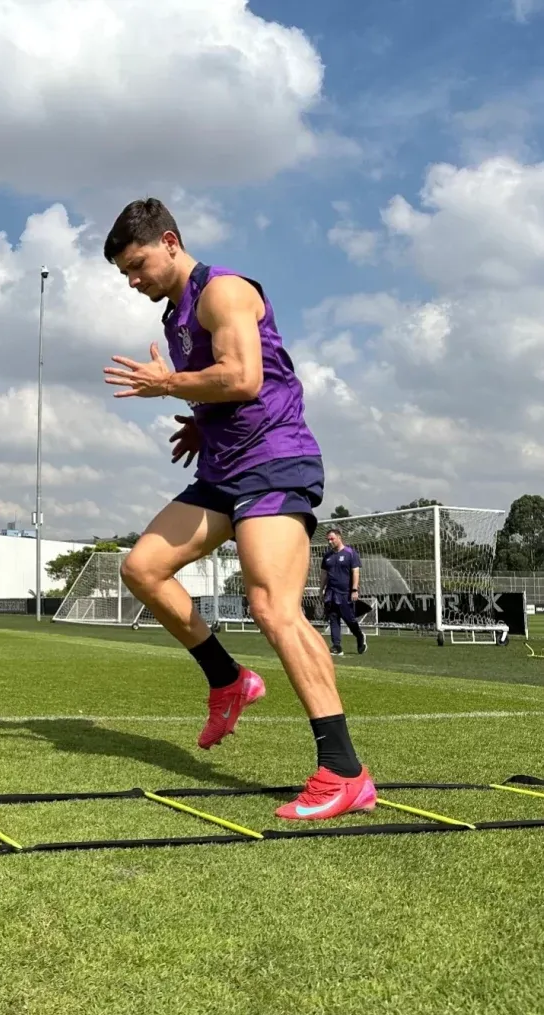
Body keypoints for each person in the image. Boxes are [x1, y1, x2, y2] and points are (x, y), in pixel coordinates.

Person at [102, 198, 376, 820]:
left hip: (275, 463)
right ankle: (228, 680)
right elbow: (225, 389)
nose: (134, 280)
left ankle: (345, 772)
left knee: (272, 607)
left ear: (170, 242)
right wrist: (200, 424)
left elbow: (245, 377)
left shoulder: (222, 292)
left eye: (138, 265)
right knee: (142, 568)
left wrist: (168, 383)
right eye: (125, 275)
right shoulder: (176, 314)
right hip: (224, 470)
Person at [321, 528, 368, 656]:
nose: (330, 542)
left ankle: (359, 636)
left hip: (345, 593)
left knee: (349, 619)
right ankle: (337, 646)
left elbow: (355, 572)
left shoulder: (350, 553)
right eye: (328, 540)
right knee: (333, 618)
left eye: (332, 539)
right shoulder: (327, 556)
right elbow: (324, 574)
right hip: (331, 593)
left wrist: (354, 590)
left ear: (339, 538)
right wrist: (321, 590)